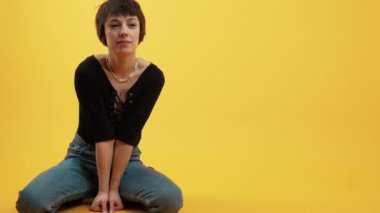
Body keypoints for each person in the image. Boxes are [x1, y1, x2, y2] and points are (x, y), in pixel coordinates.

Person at [16, 0, 183, 212]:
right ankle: (89, 186)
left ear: (141, 32)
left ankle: (115, 187)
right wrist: (104, 191)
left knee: (170, 199)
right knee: (31, 201)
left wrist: (112, 189)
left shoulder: (152, 77)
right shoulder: (87, 72)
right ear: (103, 33)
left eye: (131, 25)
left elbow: (128, 134)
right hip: (83, 159)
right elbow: (102, 134)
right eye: (114, 25)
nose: (124, 32)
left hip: (126, 160)